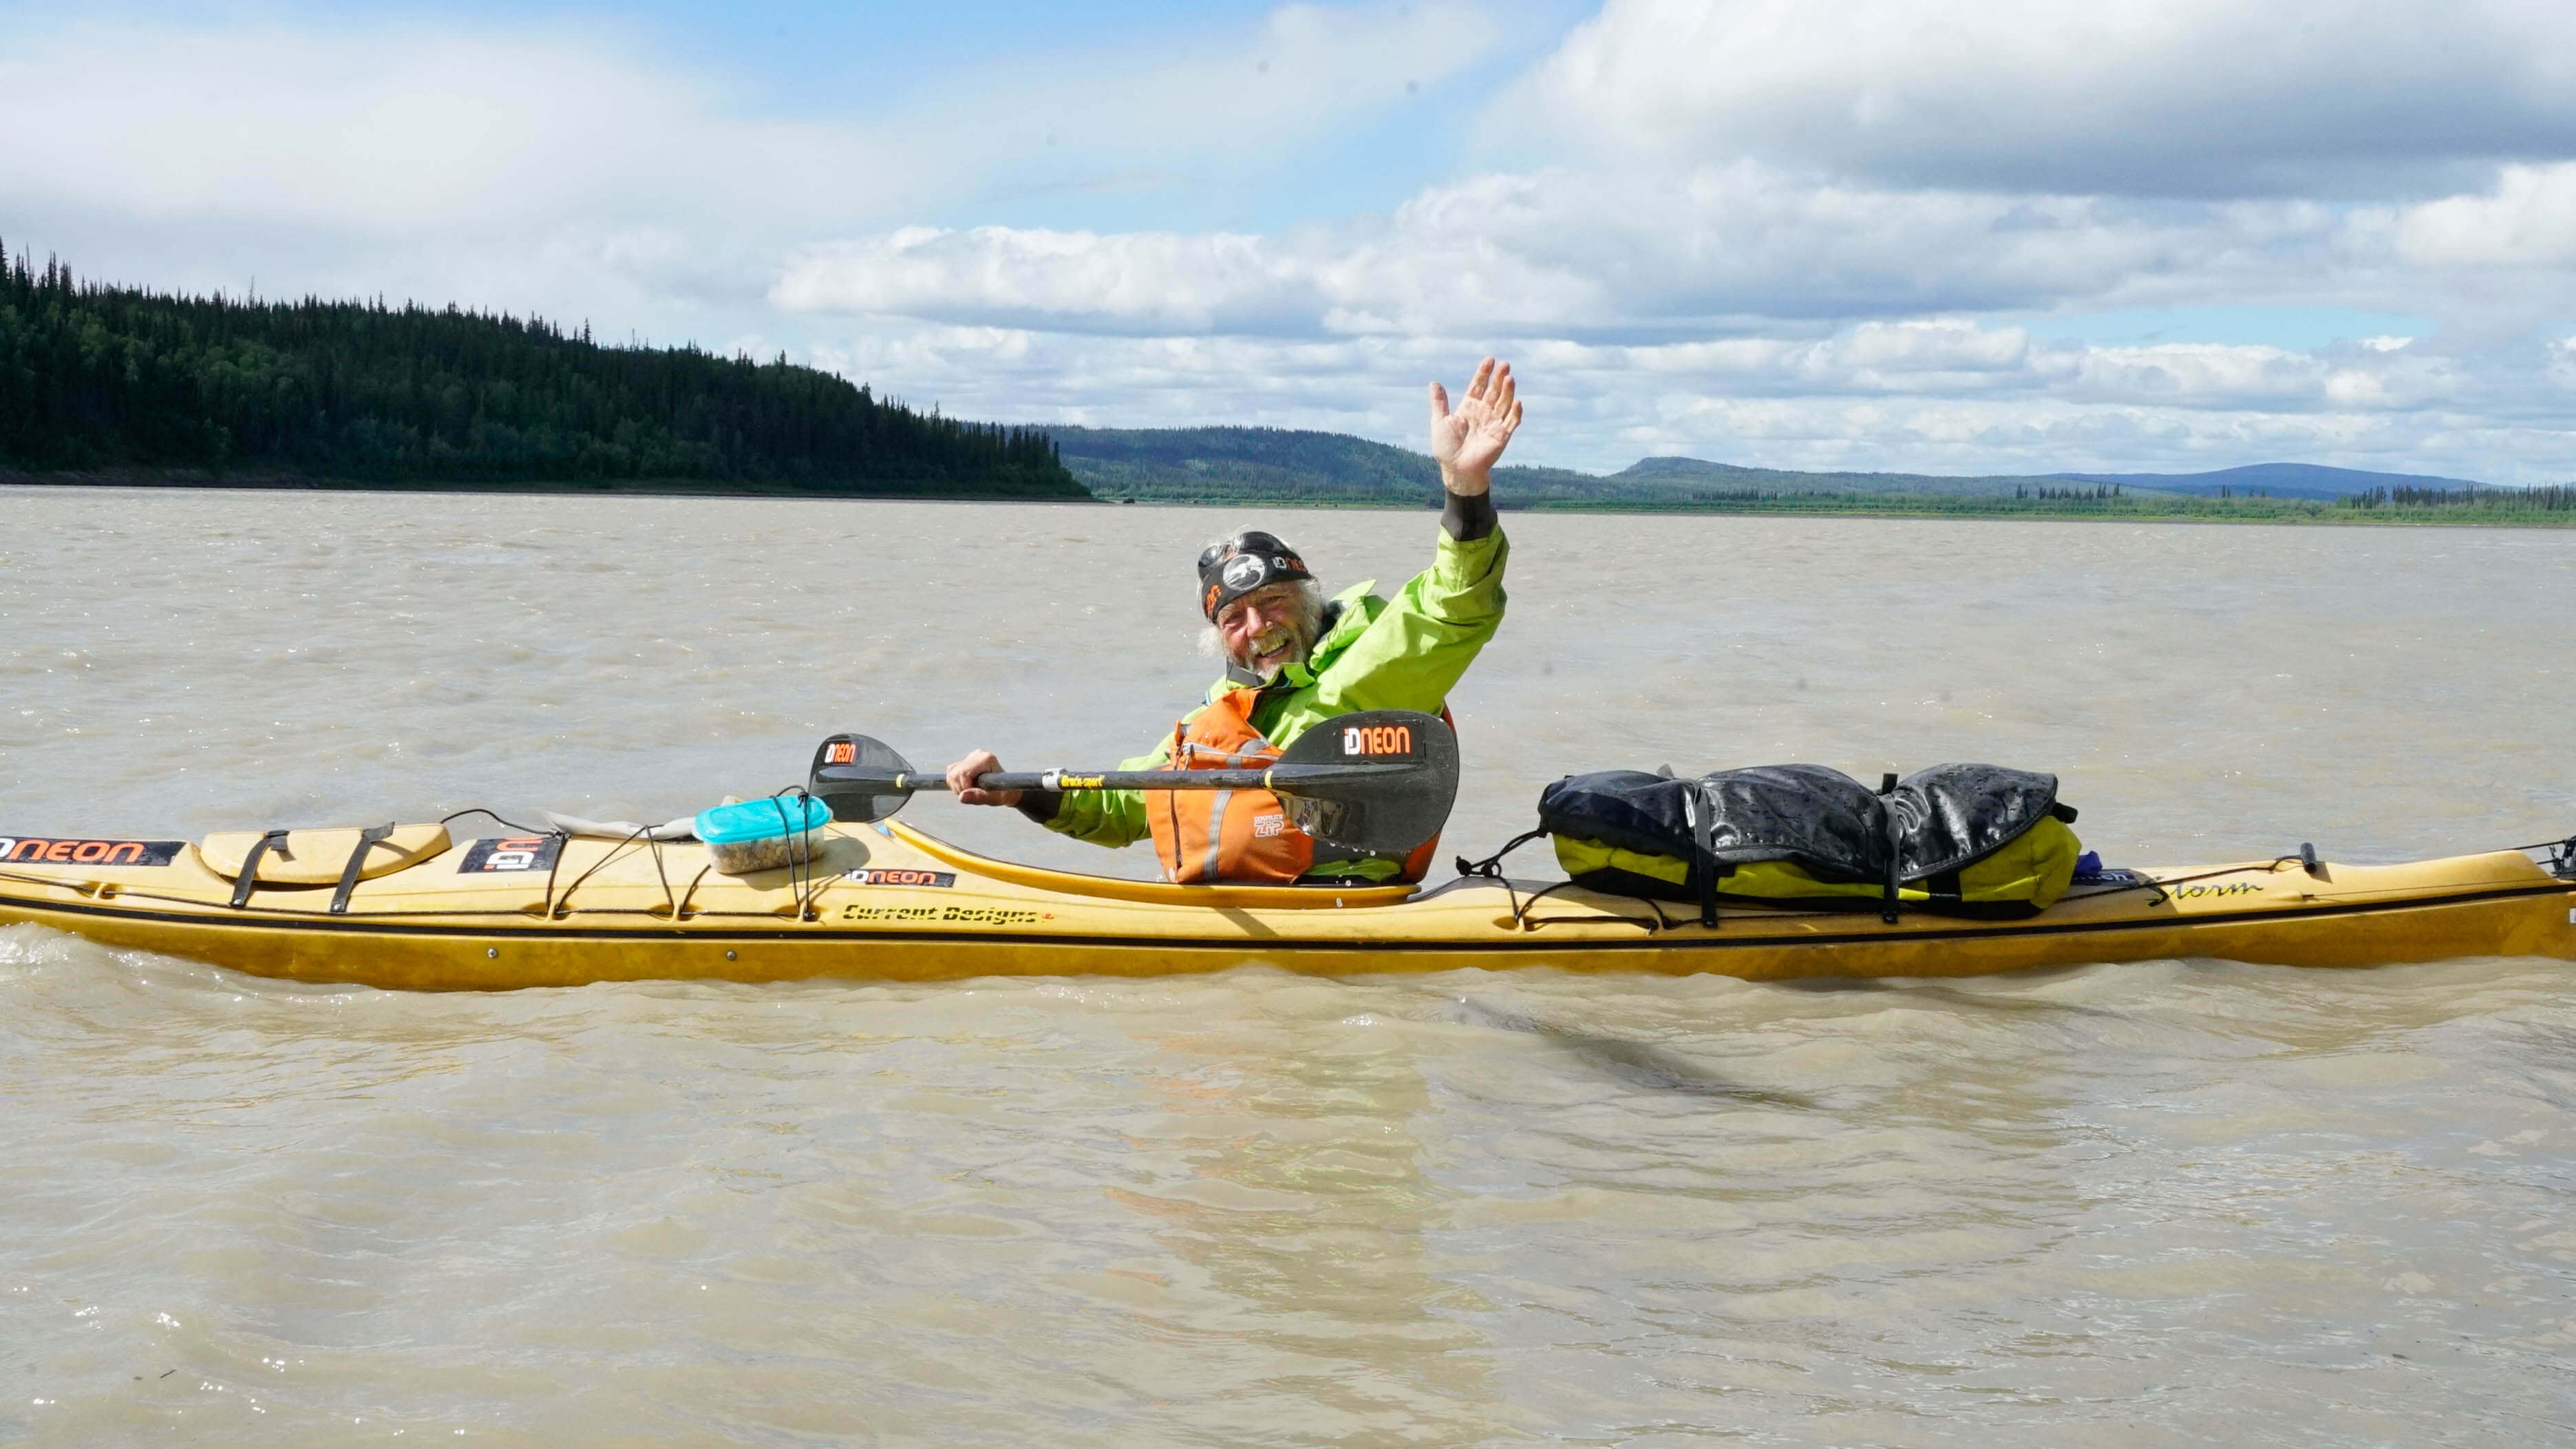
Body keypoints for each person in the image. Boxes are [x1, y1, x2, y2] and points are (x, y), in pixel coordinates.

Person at [944, 357, 1524, 884]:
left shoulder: (1379, 664)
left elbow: (1454, 604)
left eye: (1273, 601)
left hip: (1345, 909)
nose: (1258, 625)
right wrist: (1016, 789)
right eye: (1235, 617)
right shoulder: (1212, 718)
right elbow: (1120, 807)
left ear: (1310, 599)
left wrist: (1464, 487)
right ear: (1218, 636)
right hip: (1236, 922)